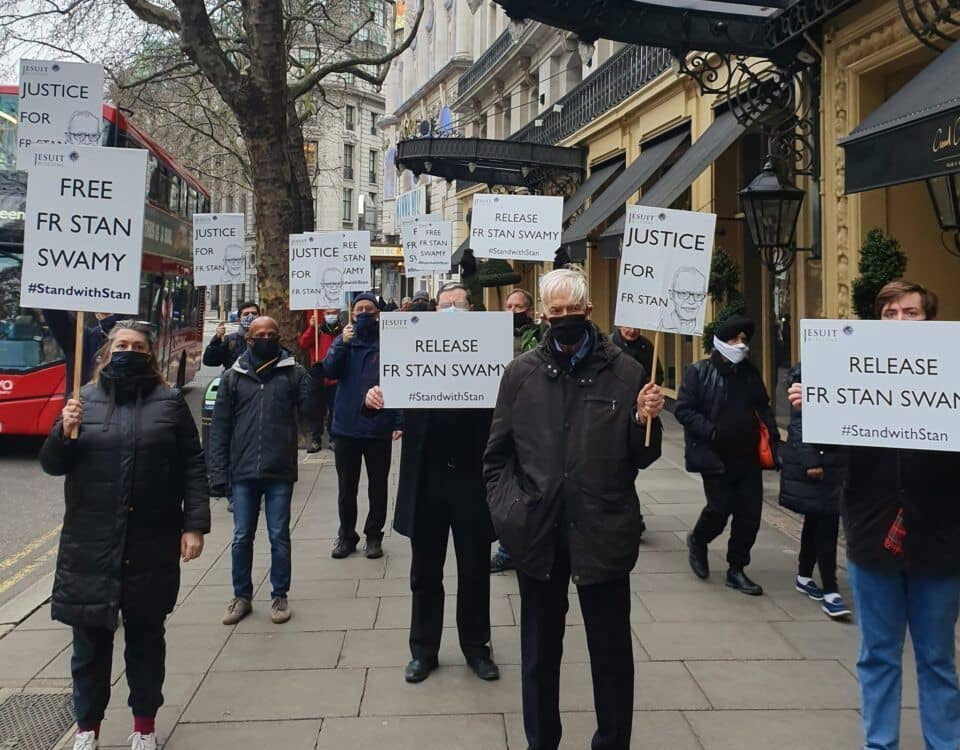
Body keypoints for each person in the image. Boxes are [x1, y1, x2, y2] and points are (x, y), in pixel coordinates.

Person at [484, 266, 665, 750]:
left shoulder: (626, 372)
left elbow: (643, 455)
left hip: (602, 531)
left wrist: (645, 419)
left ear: (589, 311)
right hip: (538, 532)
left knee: (610, 653)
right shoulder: (520, 374)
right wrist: (510, 511)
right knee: (540, 655)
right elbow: (497, 455)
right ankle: (542, 741)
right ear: (544, 315)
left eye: (572, 311)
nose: (564, 319)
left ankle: (612, 741)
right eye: (555, 312)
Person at [789, 281, 960, 750]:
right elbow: (831, 447)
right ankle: (879, 743)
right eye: (890, 314)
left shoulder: (953, 371)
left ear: (930, 321)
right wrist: (816, 404)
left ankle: (944, 743)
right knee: (878, 655)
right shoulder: (856, 371)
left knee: (937, 658)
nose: (900, 322)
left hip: (940, 539)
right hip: (871, 533)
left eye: (911, 313)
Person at [39, 320, 209, 750]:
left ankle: (144, 726)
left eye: (136, 346)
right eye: (120, 345)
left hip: (151, 542)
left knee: (146, 643)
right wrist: (63, 430)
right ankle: (86, 729)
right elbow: (53, 464)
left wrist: (194, 526)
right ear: (106, 352)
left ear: (149, 354)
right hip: (90, 544)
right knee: (89, 649)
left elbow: (193, 465)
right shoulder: (83, 401)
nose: (127, 351)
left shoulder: (169, 403)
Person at [364, 283, 499, 684]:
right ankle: (423, 650)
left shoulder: (489, 349)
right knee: (425, 572)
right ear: (434, 310)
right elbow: (385, 399)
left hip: (473, 479)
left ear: (471, 309)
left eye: (459, 304)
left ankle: (477, 648)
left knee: (475, 570)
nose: (452, 310)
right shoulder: (410, 347)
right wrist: (371, 399)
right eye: (445, 305)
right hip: (427, 479)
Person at [208, 316, 318, 627]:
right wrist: (218, 473)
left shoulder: (292, 373)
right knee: (242, 536)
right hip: (242, 471)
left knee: (279, 536)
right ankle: (241, 596)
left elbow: (311, 411)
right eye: (260, 335)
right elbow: (219, 429)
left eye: (272, 333)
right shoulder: (233, 377)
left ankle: (279, 594)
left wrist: (316, 377)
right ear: (249, 340)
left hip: (279, 469)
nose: (266, 338)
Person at [675, 315, 779, 596]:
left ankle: (736, 569)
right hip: (715, 457)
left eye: (744, 340)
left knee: (749, 516)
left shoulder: (750, 373)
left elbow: (764, 408)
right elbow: (684, 409)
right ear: (720, 343)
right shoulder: (699, 372)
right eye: (734, 339)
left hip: (748, 458)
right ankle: (698, 540)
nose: (740, 344)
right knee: (719, 510)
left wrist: (774, 438)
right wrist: (711, 431)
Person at [323, 293, 402, 559]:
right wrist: (340, 344)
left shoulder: (389, 342)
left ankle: (373, 535)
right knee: (347, 487)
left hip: (378, 426)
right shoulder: (345, 341)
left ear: (378, 313)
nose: (365, 312)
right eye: (360, 309)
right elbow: (330, 371)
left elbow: (401, 380)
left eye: (370, 308)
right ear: (352, 314)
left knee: (378, 486)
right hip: (346, 426)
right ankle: (346, 535)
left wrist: (399, 421)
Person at [778, 362, 850, 619]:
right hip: (820, 461)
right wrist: (811, 460)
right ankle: (831, 590)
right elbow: (798, 424)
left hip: (839, 458)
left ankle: (804, 575)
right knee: (827, 522)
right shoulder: (806, 375)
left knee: (817, 517)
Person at [490, 288, 547, 574]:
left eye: (518, 306)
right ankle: (507, 547)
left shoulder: (540, 336)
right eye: (509, 305)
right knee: (506, 483)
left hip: (532, 419)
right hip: (501, 417)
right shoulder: (490, 334)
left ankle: (521, 546)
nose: (513, 310)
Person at [44, 310, 122, 391]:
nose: (112, 318)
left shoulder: (133, 340)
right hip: (83, 402)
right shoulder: (80, 339)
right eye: (105, 312)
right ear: (96, 315)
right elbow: (55, 314)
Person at [298, 309, 342, 453]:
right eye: (328, 312)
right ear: (323, 315)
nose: (331, 315)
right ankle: (316, 438)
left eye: (334, 312)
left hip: (336, 377)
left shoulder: (343, 331)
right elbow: (304, 343)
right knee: (316, 410)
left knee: (335, 409)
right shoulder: (318, 331)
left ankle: (333, 438)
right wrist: (312, 328)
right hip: (318, 376)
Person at [203, 300, 259, 370]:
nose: (251, 316)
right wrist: (217, 339)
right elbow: (209, 361)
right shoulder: (230, 340)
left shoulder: (266, 338)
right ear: (239, 320)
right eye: (246, 314)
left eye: (254, 313)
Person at [658, 267, 708, 334]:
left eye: (698, 295)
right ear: (671, 295)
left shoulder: (704, 330)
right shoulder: (662, 325)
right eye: (683, 294)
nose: (691, 301)